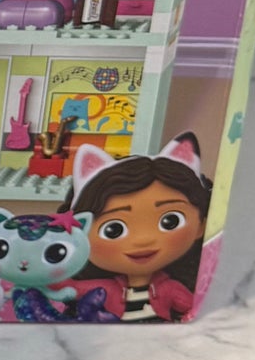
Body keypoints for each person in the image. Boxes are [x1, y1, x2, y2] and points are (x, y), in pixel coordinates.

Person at [68, 134, 212, 320]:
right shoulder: (104, 289)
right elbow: (67, 289)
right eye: (113, 230)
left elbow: (195, 310)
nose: (143, 239)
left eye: (170, 221)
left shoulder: (170, 289)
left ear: (201, 225)